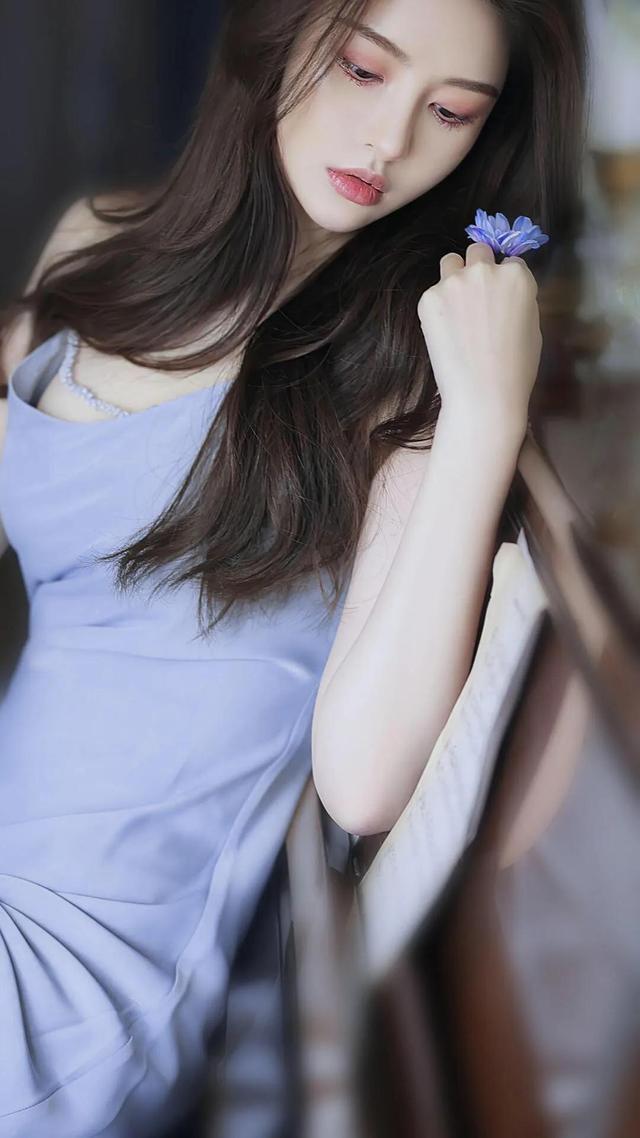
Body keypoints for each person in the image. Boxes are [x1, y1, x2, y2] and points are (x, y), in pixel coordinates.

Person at [0, 0, 587, 1134]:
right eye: (364, 70)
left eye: (450, 113)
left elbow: (362, 782)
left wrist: (482, 415)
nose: (388, 141)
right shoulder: (99, 242)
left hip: (80, 978)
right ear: (281, 33)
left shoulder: (405, 373)